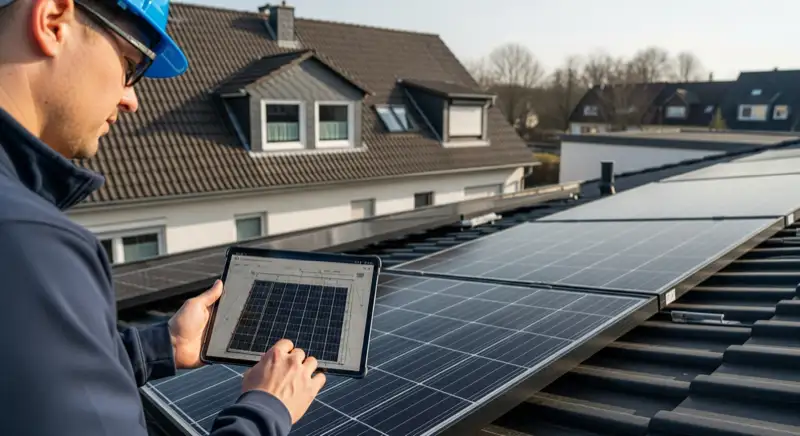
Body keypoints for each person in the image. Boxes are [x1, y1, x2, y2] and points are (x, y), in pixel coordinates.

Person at [0, 0, 325, 435]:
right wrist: (265, 409)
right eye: (129, 66)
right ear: (53, 20)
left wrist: (162, 345)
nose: (131, 100)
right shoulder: (31, 244)